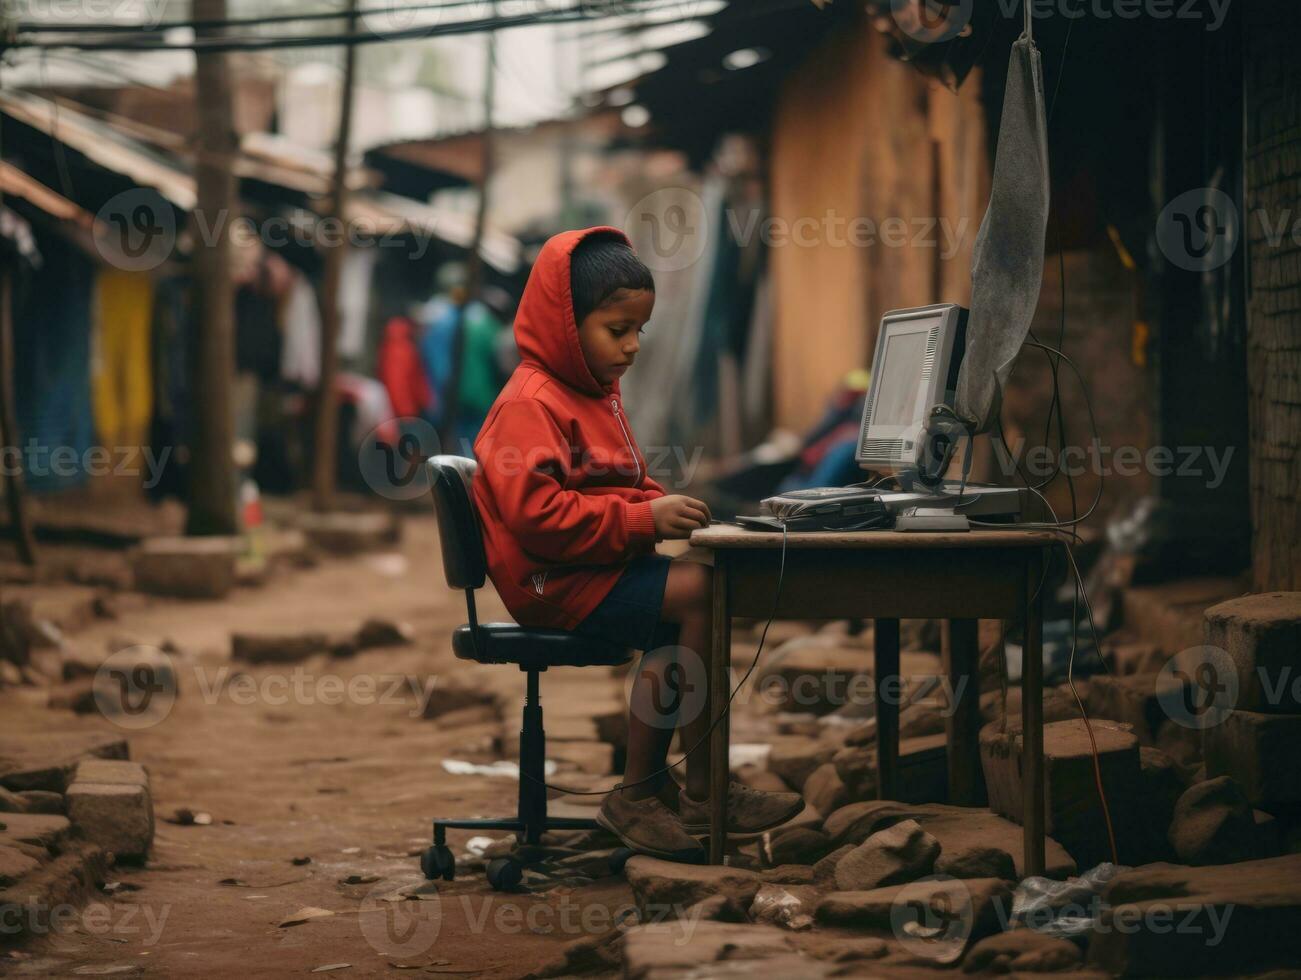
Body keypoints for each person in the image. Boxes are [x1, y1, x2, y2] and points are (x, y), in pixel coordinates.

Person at [472, 227, 803, 862]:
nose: (631, 346)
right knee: (701, 590)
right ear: (568, 324)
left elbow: (618, 483)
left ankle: (645, 792)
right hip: (550, 581)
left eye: (639, 331)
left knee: (694, 595)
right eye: (615, 329)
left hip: (589, 567)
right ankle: (702, 788)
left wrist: (664, 508)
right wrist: (645, 521)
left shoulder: (591, 391)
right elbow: (537, 518)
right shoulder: (532, 404)